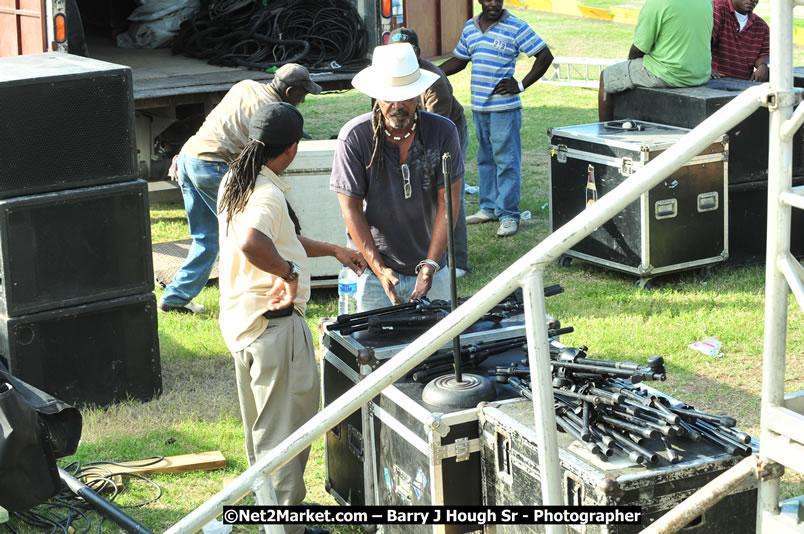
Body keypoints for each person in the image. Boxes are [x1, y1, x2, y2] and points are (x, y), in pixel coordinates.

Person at [217, 102, 363, 534]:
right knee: (287, 435)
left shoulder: (237, 179)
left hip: (243, 324)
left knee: (263, 433)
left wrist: (333, 249)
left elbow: (281, 236)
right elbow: (251, 241)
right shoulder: (266, 192)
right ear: (292, 148)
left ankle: (271, 516)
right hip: (275, 325)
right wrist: (288, 272)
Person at [158, 64, 322, 314]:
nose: (305, 98)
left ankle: (174, 299)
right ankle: (272, 296)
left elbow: (218, 122)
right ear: (289, 91)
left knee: (208, 239)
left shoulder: (246, 85)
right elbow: (262, 159)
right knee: (257, 234)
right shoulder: (267, 111)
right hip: (212, 167)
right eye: (303, 92)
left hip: (189, 159)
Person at [329, 43, 465, 312]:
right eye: (389, 96)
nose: (397, 105)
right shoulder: (355, 136)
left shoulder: (443, 131)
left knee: (439, 348)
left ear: (419, 94)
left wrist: (431, 264)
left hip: (431, 264)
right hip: (370, 270)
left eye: (406, 96)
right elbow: (351, 209)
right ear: (376, 96)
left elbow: (448, 204)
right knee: (373, 350)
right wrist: (379, 270)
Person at [440, 0, 553, 238]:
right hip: (479, 107)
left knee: (506, 161)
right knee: (485, 159)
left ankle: (509, 215)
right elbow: (460, 60)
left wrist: (521, 85)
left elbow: (544, 55)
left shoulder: (516, 26)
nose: (493, 3)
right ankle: (489, 208)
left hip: (504, 109)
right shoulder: (470, 27)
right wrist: (430, 71)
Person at [388, 27, 471, 277]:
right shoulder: (387, 73)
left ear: (418, 52)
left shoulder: (433, 80)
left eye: (408, 52)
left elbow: (436, 127)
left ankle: (459, 262)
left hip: (447, 132)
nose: (401, 58)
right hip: (411, 131)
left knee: (447, 192)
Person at [597, 0, 713, 122]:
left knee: (606, 76)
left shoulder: (657, 3)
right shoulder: (706, 2)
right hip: (700, 74)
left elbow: (639, 49)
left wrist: (630, 60)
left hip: (669, 74)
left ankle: (605, 131)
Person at [711, 0, 770, 82]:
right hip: (712, 85)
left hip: (742, 88)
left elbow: (765, 54)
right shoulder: (718, 7)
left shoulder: (761, 26)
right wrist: (704, 70)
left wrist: (763, 65)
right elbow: (701, 42)